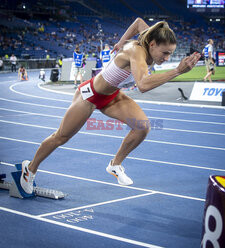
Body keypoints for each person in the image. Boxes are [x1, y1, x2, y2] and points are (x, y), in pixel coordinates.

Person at [20, 17, 200, 194]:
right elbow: (143, 85)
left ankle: (115, 165)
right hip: (89, 96)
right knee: (61, 137)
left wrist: (119, 43)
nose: (167, 58)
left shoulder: (150, 37)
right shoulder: (136, 51)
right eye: (165, 53)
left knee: (142, 127)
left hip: (112, 96)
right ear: (152, 45)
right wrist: (177, 71)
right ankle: (30, 169)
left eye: (170, 53)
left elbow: (138, 23)